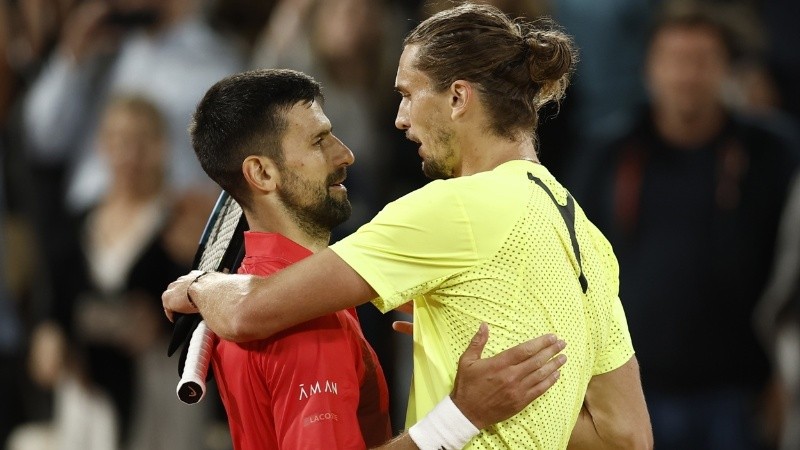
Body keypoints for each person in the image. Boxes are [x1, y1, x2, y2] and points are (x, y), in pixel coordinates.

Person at [164, 4, 652, 449]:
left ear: (458, 97)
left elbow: (249, 311)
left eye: (407, 94)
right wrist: (518, 406)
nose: (399, 119)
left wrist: (199, 282)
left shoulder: (450, 207)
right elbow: (625, 438)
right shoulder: (585, 235)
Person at [187, 68, 567, 449]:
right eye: (319, 141)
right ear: (262, 173)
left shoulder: (254, 290)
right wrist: (463, 414)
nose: (345, 153)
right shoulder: (304, 322)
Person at [571, 2, 800, 449]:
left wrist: (787, 377)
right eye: (674, 61)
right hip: (631, 387)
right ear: (648, 69)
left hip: (740, 391)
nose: (686, 75)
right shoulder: (609, 153)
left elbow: (792, 275)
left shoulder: (771, 153)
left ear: (727, 70)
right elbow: (573, 269)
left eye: (701, 61)